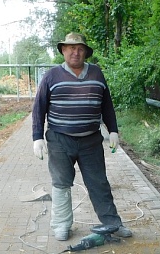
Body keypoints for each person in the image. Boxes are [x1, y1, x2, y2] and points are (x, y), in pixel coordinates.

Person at [32, 32, 132, 242]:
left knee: (99, 183)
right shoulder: (51, 76)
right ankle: (61, 225)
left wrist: (113, 129)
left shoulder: (96, 73)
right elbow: (39, 108)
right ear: (63, 51)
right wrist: (37, 137)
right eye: (70, 48)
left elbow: (107, 104)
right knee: (61, 183)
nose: (75, 52)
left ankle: (112, 223)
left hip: (91, 141)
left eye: (79, 48)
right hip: (60, 139)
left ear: (85, 52)